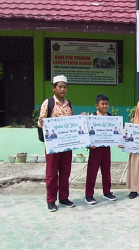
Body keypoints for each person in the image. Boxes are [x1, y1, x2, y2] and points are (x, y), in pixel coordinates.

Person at [38, 75, 74, 212]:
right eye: (60, 86)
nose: (63, 89)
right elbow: (41, 120)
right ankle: (51, 200)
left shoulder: (68, 104)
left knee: (65, 172)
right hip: (53, 145)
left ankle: (64, 198)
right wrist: (42, 123)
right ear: (54, 88)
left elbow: (72, 124)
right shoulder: (48, 103)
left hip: (67, 144)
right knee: (52, 173)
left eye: (65, 87)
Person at [85, 94, 118, 205]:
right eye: (102, 104)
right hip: (95, 149)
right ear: (96, 105)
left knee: (106, 171)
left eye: (106, 104)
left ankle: (107, 192)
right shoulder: (91, 118)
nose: (105, 106)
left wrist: (119, 142)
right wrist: (89, 145)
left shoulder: (111, 118)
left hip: (106, 148)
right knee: (92, 172)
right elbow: (86, 134)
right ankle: (89, 195)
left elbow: (116, 133)